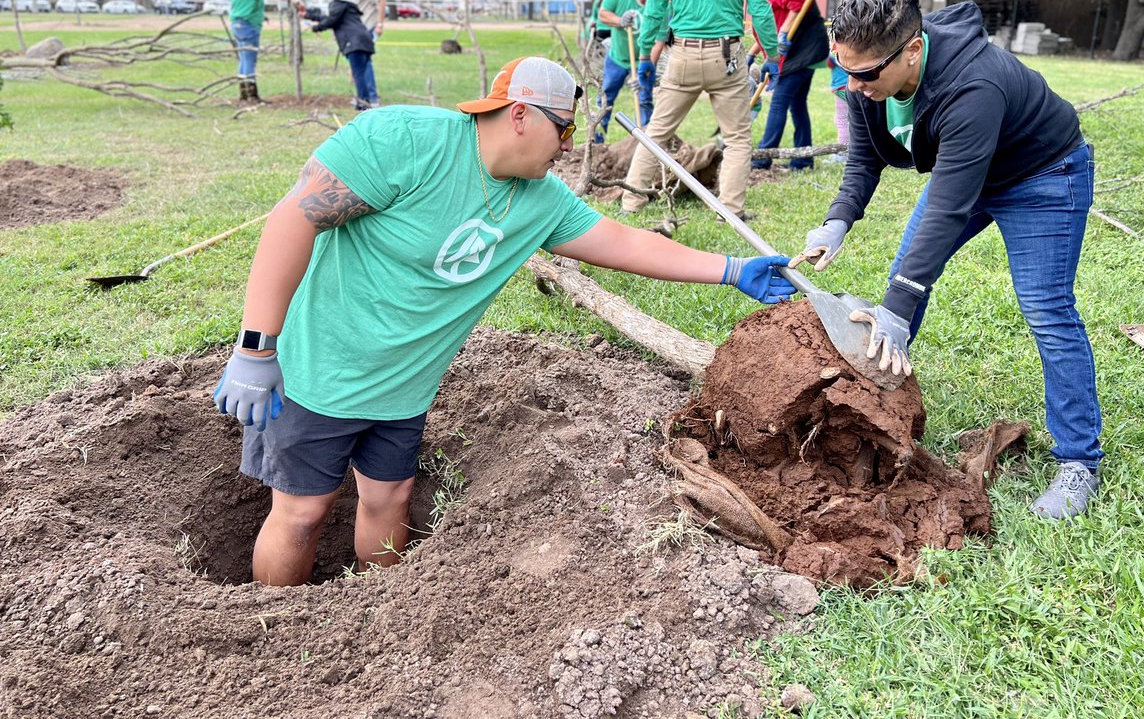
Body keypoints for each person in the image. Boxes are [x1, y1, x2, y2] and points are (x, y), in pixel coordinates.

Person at [212, 56, 799, 586]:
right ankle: (277, 626)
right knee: (303, 512)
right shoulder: (402, 142)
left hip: (403, 391)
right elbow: (293, 220)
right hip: (322, 373)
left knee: (389, 501)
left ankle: (378, 612)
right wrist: (256, 348)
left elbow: (624, 241)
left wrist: (731, 268)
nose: (570, 146)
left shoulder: (540, 200)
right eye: (564, 128)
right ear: (520, 115)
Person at [799, 0, 1103, 520]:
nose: (852, 83)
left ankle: (1079, 461)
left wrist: (898, 306)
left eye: (865, 73)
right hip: (970, 174)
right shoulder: (866, 75)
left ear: (912, 50)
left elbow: (947, 208)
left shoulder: (973, 85)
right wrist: (836, 222)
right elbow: (865, 158)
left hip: (1043, 177)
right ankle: (873, 412)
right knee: (902, 283)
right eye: (843, 67)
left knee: (1046, 308)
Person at [622, 0, 778, 221]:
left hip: (683, 57)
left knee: (656, 133)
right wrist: (773, 56)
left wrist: (647, 54)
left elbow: (655, 7)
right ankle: (731, 212)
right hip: (727, 58)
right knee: (737, 139)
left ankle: (631, 202)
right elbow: (762, 12)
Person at [749, 0, 828, 172]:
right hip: (795, 51)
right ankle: (803, 159)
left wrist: (783, 35)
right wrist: (751, 54)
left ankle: (762, 158)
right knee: (797, 104)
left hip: (802, 51)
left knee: (779, 103)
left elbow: (798, 2)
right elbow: (771, 23)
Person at [593, 0, 661, 141]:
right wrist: (620, 21)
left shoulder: (661, 0)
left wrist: (643, 71)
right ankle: (597, 141)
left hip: (643, 59)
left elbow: (658, 43)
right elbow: (603, 14)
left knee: (644, 100)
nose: (647, 1)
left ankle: (647, 143)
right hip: (617, 56)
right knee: (605, 99)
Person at [229, 0, 300, 105]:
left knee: (243, 59)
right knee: (249, 59)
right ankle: (251, 96)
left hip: (238, 22)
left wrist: (260, 15)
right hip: (247, 25)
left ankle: (243, 95)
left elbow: (244, 2)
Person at [303, 0, 379, 111]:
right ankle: (365, 101)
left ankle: (364, 104)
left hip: (354, 42)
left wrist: (315, 28)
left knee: (358, 74)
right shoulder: (347, 3)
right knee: (361, 73)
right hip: (364, 40)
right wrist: (309, 15)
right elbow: (331, 17)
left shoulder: (338, 1)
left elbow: (331, 20)